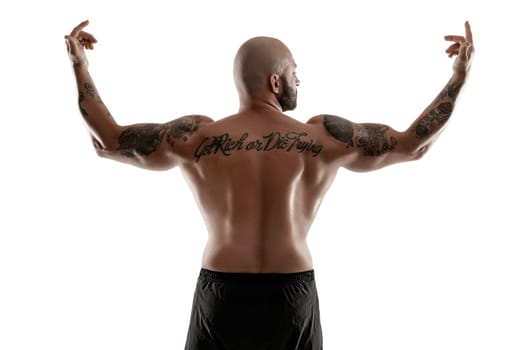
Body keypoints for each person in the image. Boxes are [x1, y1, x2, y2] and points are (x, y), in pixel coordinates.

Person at [65, 20, 474, 350]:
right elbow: (411, 145)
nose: (300, 81)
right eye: (295, 73)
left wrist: (80, 66)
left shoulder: (197, 138)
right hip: (290, 295)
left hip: (221, 292)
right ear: (276, 82)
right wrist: (459, 77)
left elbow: (107, 141)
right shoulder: (322, 138)